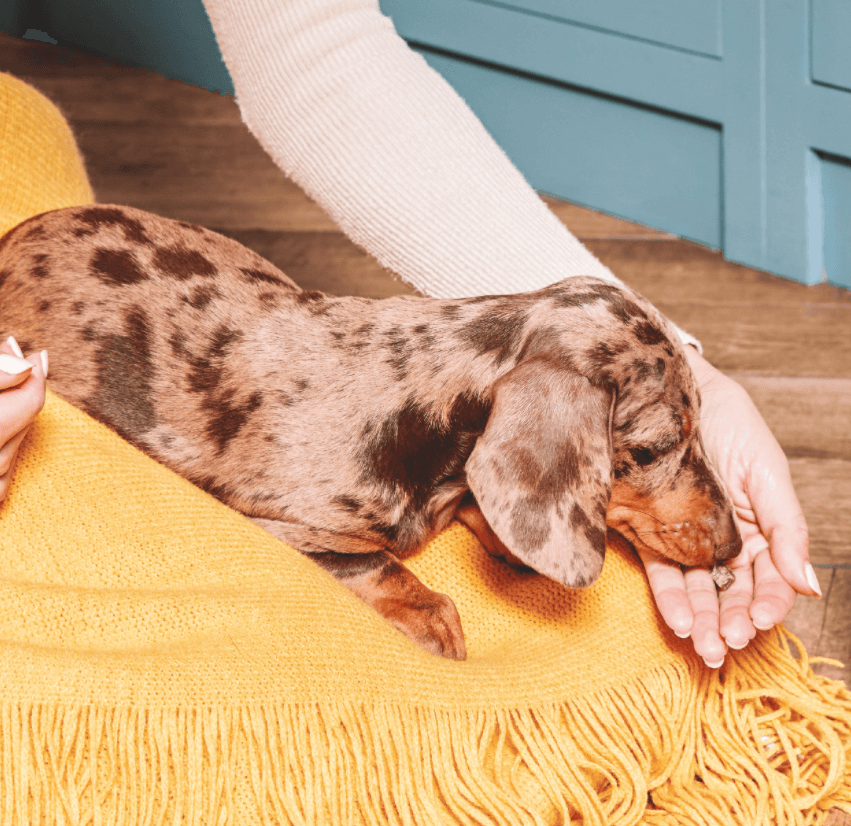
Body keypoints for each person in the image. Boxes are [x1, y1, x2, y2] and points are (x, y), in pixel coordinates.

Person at [0, 0, 818, 671]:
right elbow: (291, 515)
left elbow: (311, 44)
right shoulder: (325, 481)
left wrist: (695, 380)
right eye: (652, 451)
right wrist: (388, 583)